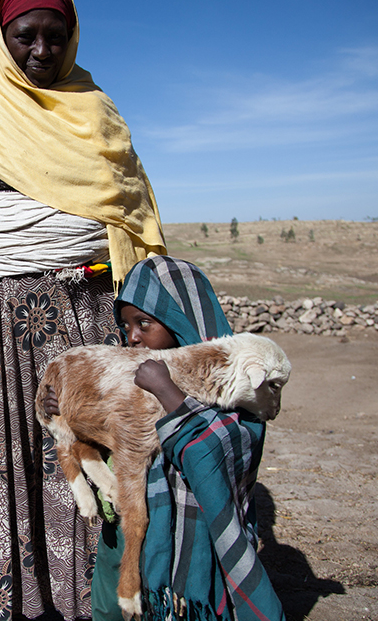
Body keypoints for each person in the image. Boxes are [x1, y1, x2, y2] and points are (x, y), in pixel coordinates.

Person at [0, 0, 166, 621]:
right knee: (14, 466)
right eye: (24, 36)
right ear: (0, 37)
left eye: (54, 36)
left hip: (96, 317)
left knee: (103, 463)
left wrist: (142, 321)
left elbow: (134, 219)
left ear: (71, 39)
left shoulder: (98, 115)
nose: (40, 49)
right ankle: (26, 606)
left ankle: (104, 600)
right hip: (3, 326)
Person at [49, 255, 285, 621]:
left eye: (144, 323)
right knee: (109, 608)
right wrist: (62, 405)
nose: (132, 336)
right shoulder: (133, 379)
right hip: (126, 533)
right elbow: (102, 427)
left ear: (182, 320)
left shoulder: (233, 391)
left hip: (188, 550)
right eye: (125, 325)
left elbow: (219, 449)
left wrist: (168, 394)